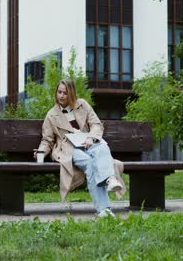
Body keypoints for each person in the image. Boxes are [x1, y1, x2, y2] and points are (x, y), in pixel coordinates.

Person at [35, 78, 126, 217]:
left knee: (102, 146)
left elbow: (96, 124)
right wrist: (41, 151)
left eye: (65, 93)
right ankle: (103, 209)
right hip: (70, 149)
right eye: (59, 92)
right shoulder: (51, 115)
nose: (61, 96)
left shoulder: (83, 105)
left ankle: (110, 180)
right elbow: (47, 140)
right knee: (91, 165)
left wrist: (91, 137)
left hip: (87, 142)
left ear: (71, 93)